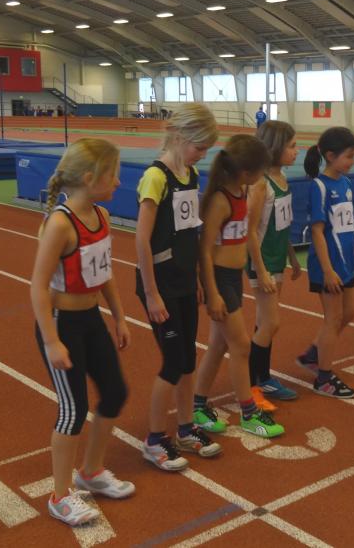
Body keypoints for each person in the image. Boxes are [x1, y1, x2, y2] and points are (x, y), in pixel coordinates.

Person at [30, 138, 134, 526]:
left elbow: (104, 273)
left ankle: (90, 471)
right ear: (90, 178)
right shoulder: (60, 224)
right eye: (113, 175)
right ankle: (59, 496)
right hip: (62, 325)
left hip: (92, 320)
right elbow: (38, 286)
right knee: (73, 410)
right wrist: (51, 341)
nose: (119, 182)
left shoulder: (101, 216)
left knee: (116, 392)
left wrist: (120, 317)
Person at [135, 104, 223, 471]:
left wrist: (198, 279)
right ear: (181, 137)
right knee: (173, 362)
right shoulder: (156, 177)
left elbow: (191, 232)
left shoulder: (192, 174)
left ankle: (186, 429)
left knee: (187, 359)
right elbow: (142, 239)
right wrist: (151, 293)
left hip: (185, 279)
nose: (203, 154)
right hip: (161, 284)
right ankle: (154, 439)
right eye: (200, 147)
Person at [193, 135, 285, 437]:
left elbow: (245, 235)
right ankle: (248, 412)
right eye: (260, 171)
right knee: (241, 345)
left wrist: (255, 268)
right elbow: (205, 251)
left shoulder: (242, 191)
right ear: (246, 172)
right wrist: (212, 293)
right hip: (220, 278)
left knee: (219, 345)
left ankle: (197, 405)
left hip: (233, 277)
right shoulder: (220, 200)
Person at [295, 127, 354, 398]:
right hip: (328, 264)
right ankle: (323, 378)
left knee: (349, 313)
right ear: (331, 156)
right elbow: (317, 231)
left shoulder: (346, 184)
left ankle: (313, 354)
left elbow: (348, 224)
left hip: (345, 260)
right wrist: (327, 270)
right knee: (333, 319)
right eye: (349, 156)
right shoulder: (320, 187)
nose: (353, 162)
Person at [246, 121, 302, 406]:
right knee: (271, 323)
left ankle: (263, 378)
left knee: (264, 323)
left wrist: (292, 256)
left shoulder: (282, 179)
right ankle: (251, 387)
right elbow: (249, 231)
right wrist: (261, 269)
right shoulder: (260, 184)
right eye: (291, 146)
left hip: (277, 258)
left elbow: (282, 224)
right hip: (263, 261)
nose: (297, 151)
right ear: (274, 148)